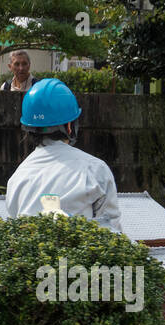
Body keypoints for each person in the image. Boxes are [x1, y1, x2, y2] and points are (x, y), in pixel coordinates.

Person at [7, 78, 121, 230]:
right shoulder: (95, 170)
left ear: (29, 129)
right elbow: (112, 234)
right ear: (69, 126)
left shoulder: (17, 178)